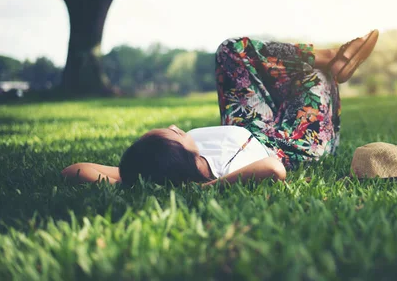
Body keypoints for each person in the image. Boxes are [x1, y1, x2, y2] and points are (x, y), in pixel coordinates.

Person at [61, 30, 379, 187]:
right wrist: (209, 188)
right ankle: (330, 68)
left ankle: (328, 56)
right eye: (171, 133)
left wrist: (127, 178)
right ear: (188, 158)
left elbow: (73, 170)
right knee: (313, 80)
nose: (175, 127)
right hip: (288, 144)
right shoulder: (205, 176)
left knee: (231, 50)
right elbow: (273, 169)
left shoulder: (156, 170)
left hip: (250, 124)